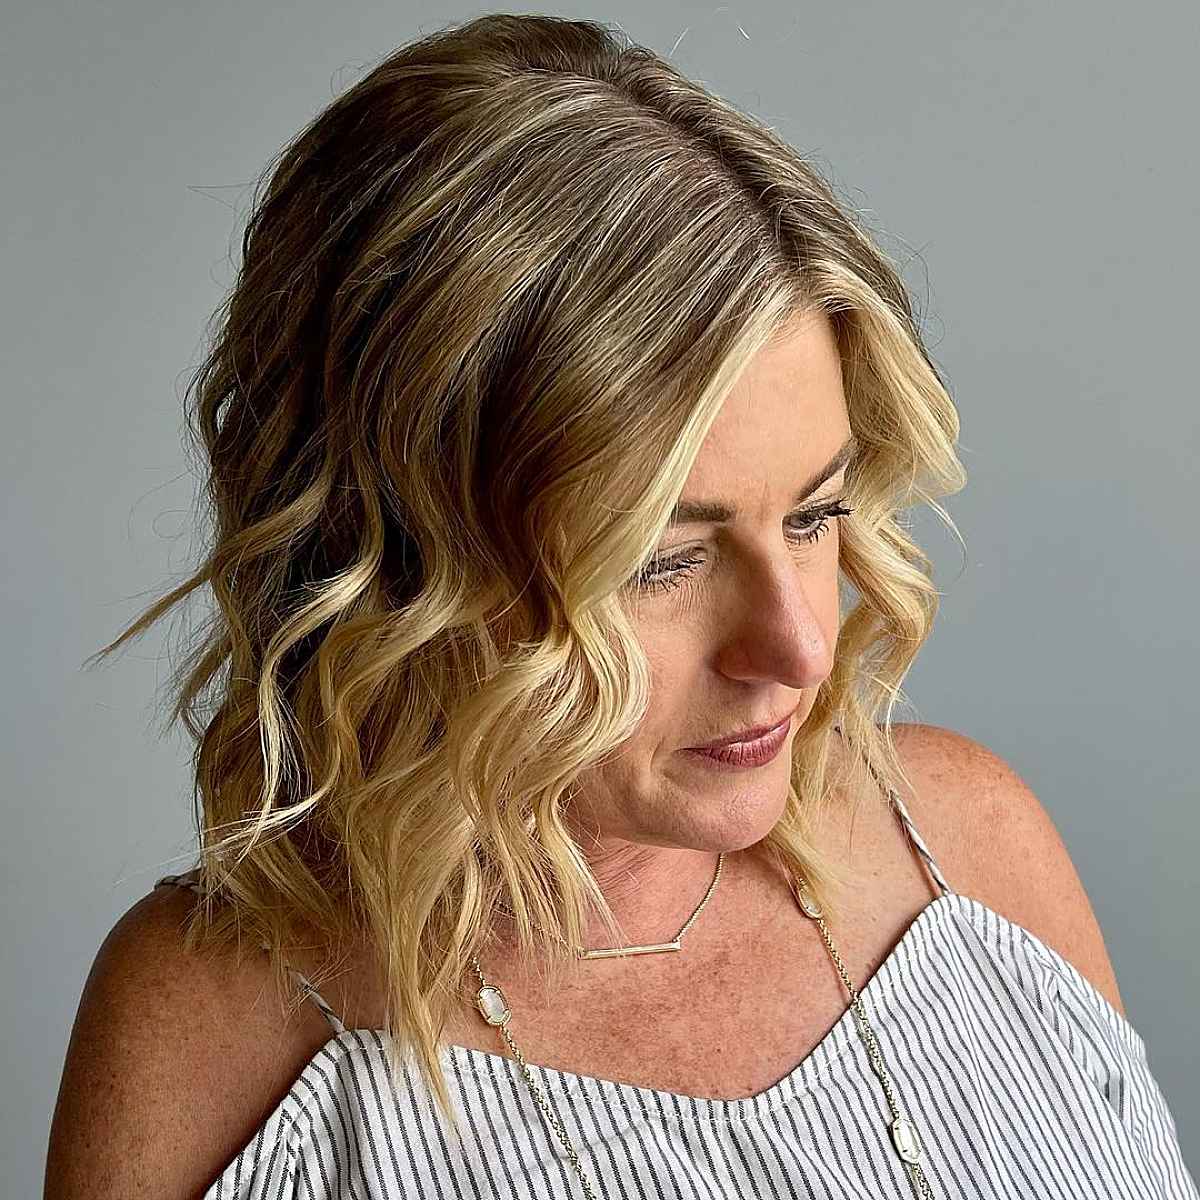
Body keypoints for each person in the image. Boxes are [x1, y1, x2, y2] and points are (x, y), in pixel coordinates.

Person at [45, 13, 1196, 1200]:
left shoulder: (967, 856)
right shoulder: (221, 1037)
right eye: (662, 561)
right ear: (399, 554)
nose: (799, 649)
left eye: (813, 516)